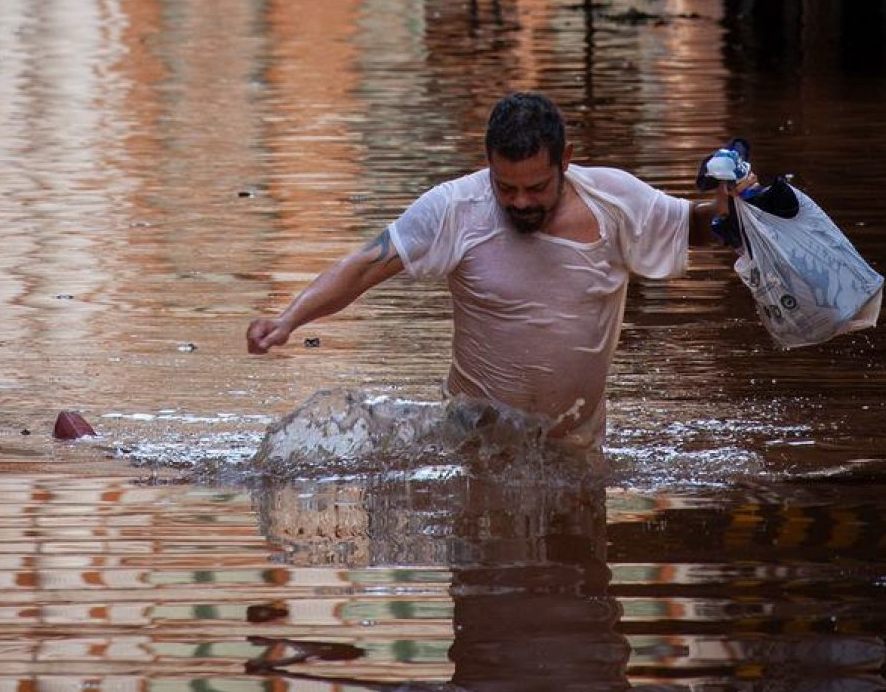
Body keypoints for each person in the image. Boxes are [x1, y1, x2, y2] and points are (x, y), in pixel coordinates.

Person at [246, 91, 756, 450]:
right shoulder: (454, 209)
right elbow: (363, 267)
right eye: (505, 186)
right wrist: (289, 320)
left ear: (566, 161)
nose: (519, 201)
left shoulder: (613, 201)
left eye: (535, 188)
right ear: (487, 163)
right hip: (476, 447)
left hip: (575, 450)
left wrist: (731, 205)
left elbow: (695, 227)